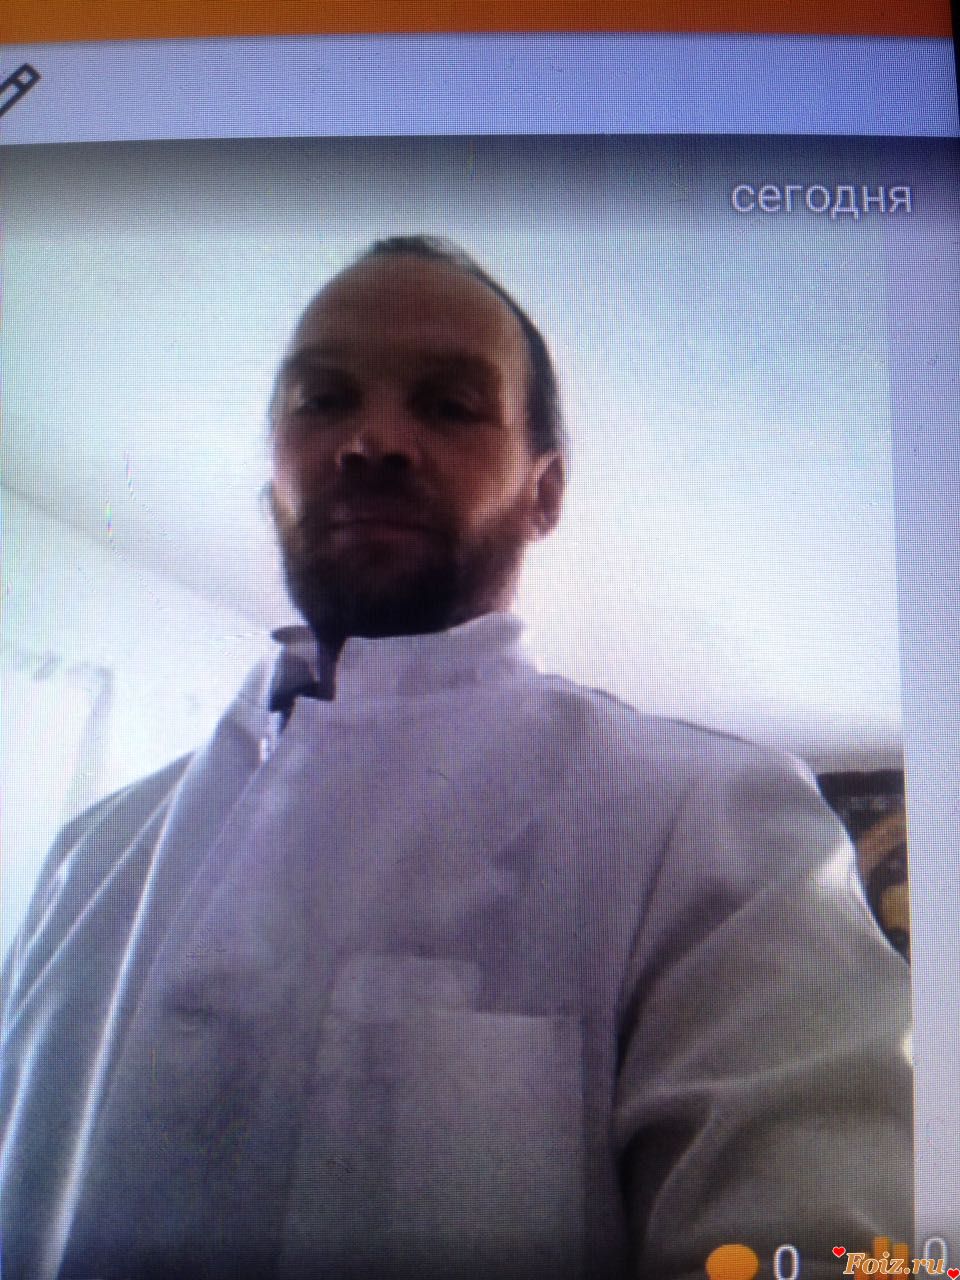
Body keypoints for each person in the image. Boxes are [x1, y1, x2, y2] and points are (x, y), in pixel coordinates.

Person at [0, 236, 911, 1280]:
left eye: (447, 404)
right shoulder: (87, 856)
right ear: (273, 470)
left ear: (543, 490)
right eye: (323, 400)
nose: (373, 440)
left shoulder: (715, 821)